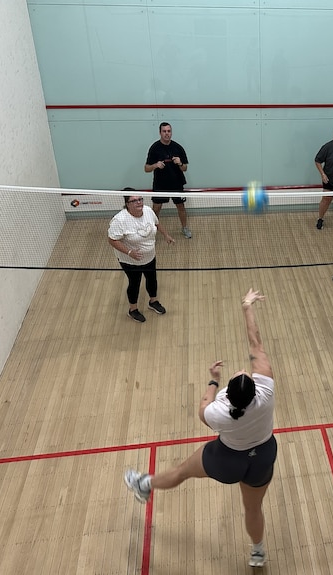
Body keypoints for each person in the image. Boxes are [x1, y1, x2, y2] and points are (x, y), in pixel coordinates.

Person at [124, 289, 277, 568]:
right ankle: (257, 552)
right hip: (263, 455)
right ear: (254, 389)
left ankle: (143, 485)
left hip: (227, 459)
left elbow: (202, 408)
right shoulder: (266, 392)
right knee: (253, 507)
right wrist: (247, 307)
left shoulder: (218, 413)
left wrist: (213, 380)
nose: (243, 370)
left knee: (183, 471)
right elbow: (256, 343)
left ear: (230, 392)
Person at [107, 189, 175, 323]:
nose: (139, 202)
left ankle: (153, 301)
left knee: (152, 278)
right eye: (134, 200)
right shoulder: (119, 220)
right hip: (130, 261)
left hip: (149, 256)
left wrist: (166, 235)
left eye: (140, 199)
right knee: (134, 283)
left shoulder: (148, 211)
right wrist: (129, 252)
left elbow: (156, 223)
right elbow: (112, 239)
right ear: (127, 203)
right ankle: (132, 310)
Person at [144, 122, 192, 238]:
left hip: (177, 183)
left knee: (181, 207)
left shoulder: (178, 148)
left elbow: (184, 168)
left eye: (169, 131)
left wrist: (180, 163)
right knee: (156, 208)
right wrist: (155, 165)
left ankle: (184, 228)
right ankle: (152, 232)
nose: (167, 134)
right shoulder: (154, 148)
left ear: (171, 132)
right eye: (164, 131)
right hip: (160, 185)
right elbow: (146, 168)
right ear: (160, 133)